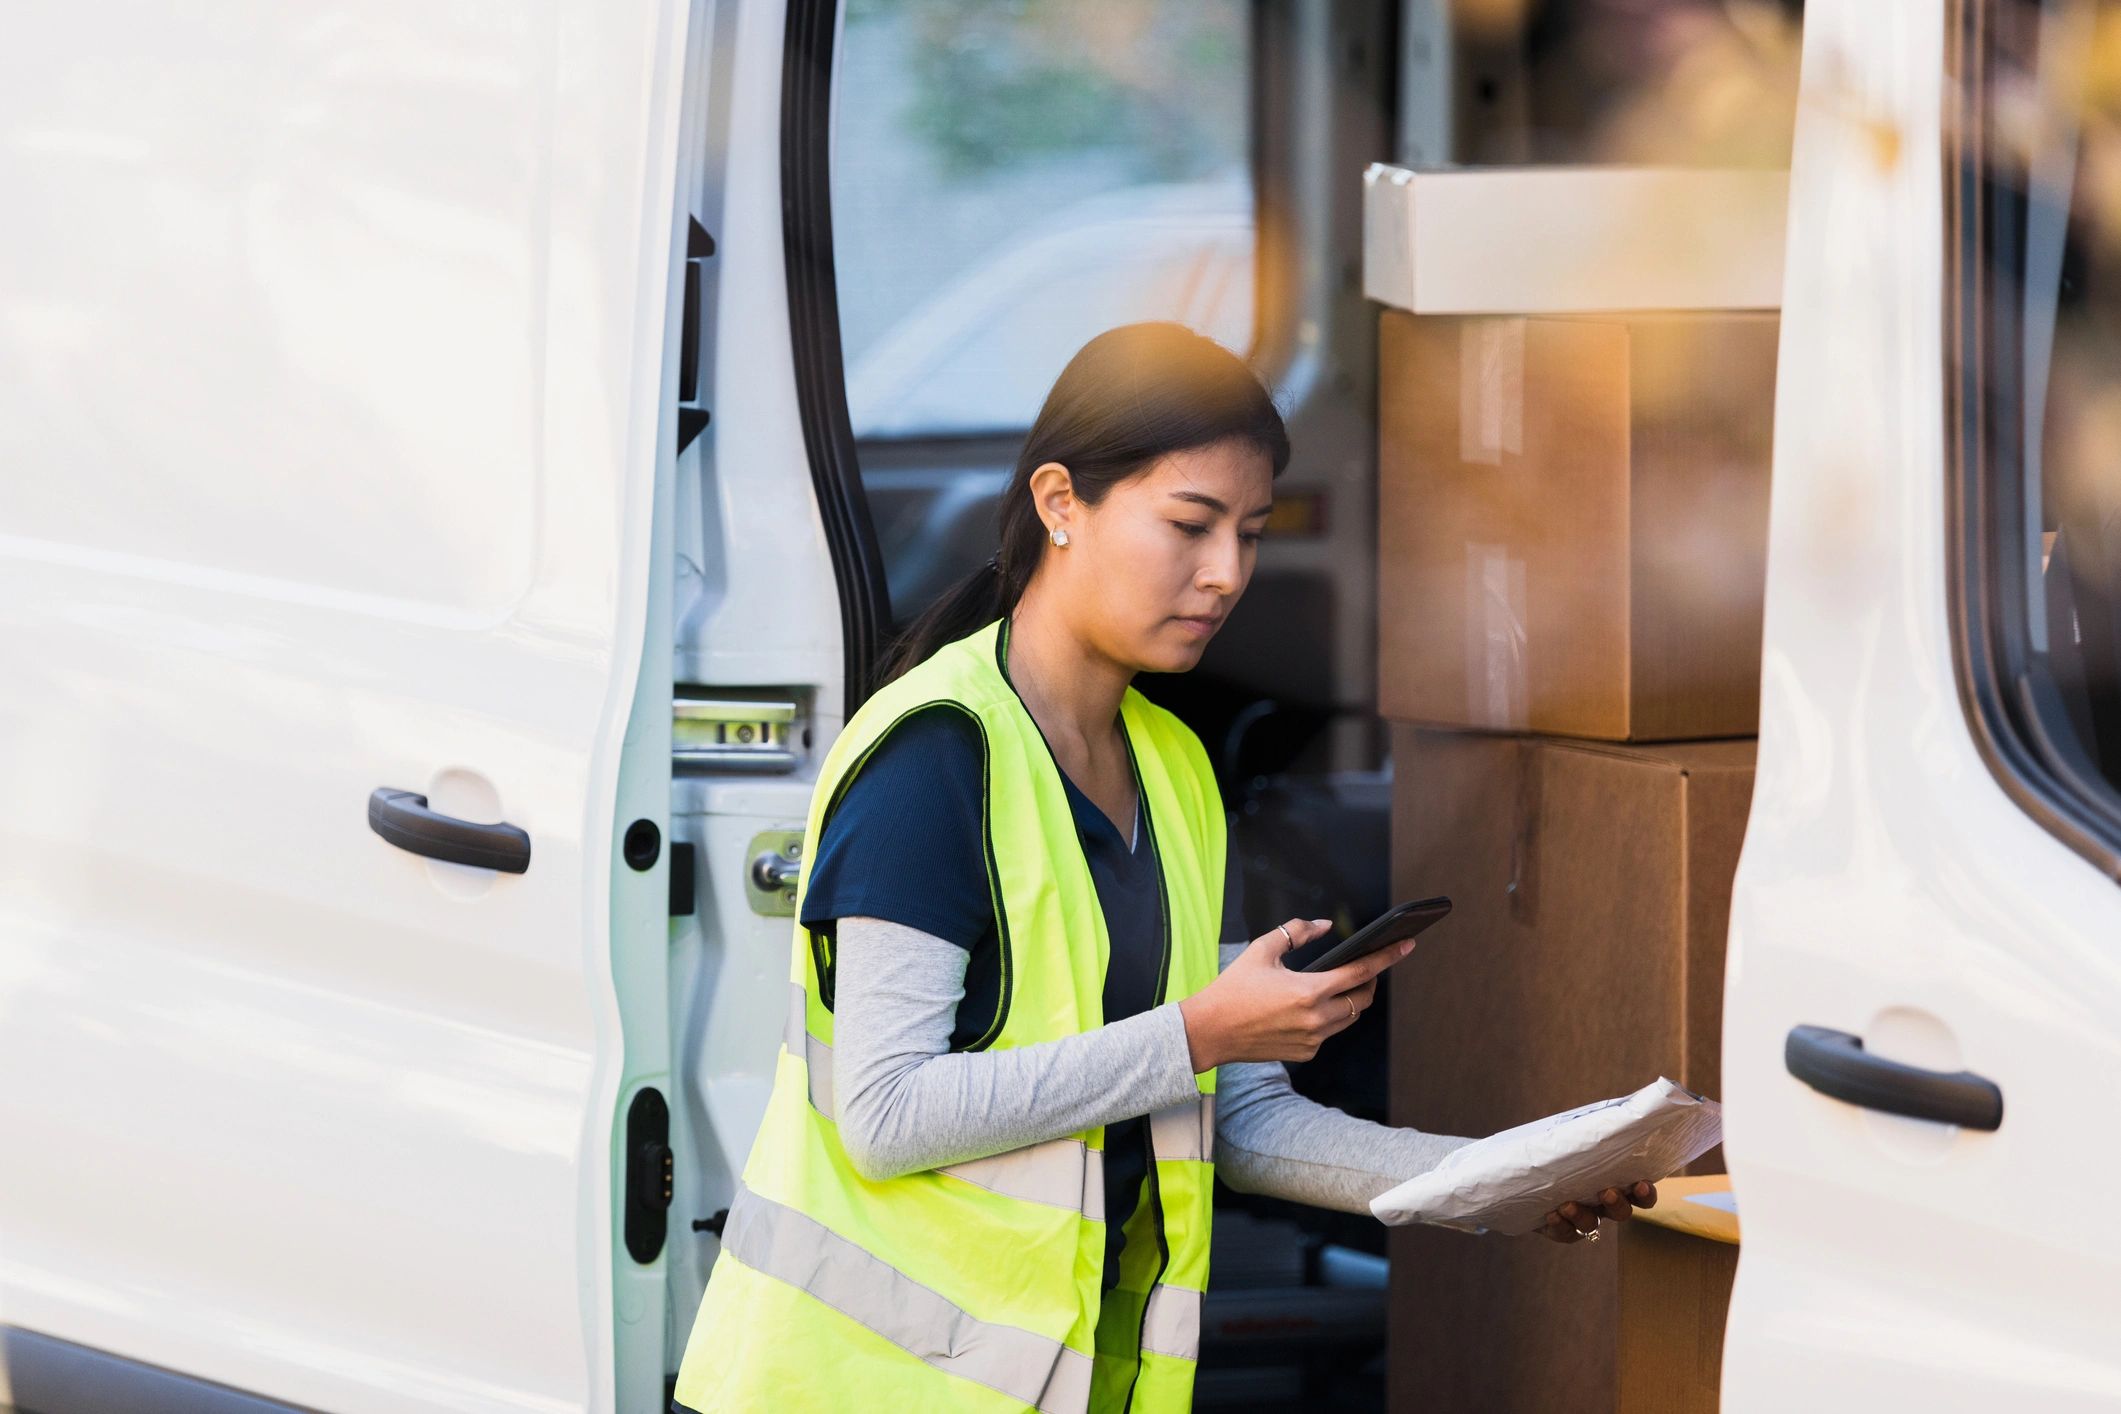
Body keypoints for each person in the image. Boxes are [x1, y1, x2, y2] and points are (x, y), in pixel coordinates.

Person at [672, 323, 1655, 1413]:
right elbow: (887, 1110)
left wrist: (1494, 1180)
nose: (1227, 573)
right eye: (1189, 526)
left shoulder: (1177, 768)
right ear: (1059, 503)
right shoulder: (936, 757)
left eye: (1250, 532)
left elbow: (1242, 1118)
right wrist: (1201, 1030)